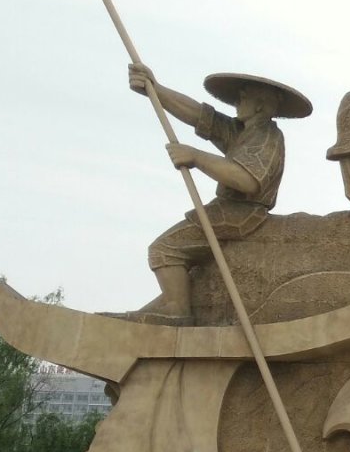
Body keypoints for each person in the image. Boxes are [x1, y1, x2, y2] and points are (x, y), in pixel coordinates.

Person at [127, 64, 311, 322]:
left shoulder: (267, 137)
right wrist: (155, 90)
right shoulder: (241, 130)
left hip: (240, 214)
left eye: (243, 97)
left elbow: (247, 180)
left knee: (166, 248)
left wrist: (195, 156)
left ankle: (177, 311)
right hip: (226, 208)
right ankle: (172, 300)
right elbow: (199, 115)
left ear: (260, 105)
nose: (237, 102)